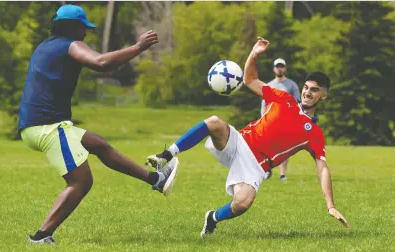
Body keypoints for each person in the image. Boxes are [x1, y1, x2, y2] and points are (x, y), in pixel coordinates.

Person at [146, 37, 349, 236]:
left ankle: (212, 218)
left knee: (243, 203)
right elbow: (250, 80)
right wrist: (254, 54)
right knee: (215, 122)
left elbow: (322, 169)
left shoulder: (314, 134)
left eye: (314, 90)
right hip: (240, 142)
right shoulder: (283, 98)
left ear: (323, 95)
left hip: (256, 165)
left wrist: (330, 206)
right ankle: (166, 155)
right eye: (306, 88)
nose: (307, 93)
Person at [18, 5, 179, 245]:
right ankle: (41, 236)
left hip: (34, 125)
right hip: (48, 126)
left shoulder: (45, 46)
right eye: (83, 27)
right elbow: (102, 62)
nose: (86, 32)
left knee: (99, 144)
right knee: (81, 182)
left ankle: (156, 180)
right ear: (72, 27)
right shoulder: (69, 44)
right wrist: (138, 47)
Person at [261, 58, 300, 181]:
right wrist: (263, 118)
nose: (279, 68)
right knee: (268, 147)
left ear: (285, 68)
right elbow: (264, 103)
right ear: (274, 69)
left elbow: (297, 102)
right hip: (271, 120)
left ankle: (282, 174)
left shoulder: (291, 85)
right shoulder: (269, 85)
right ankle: (268, 170)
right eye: (277, 66)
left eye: (281, 66)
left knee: (283, 148)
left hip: (286, 120)